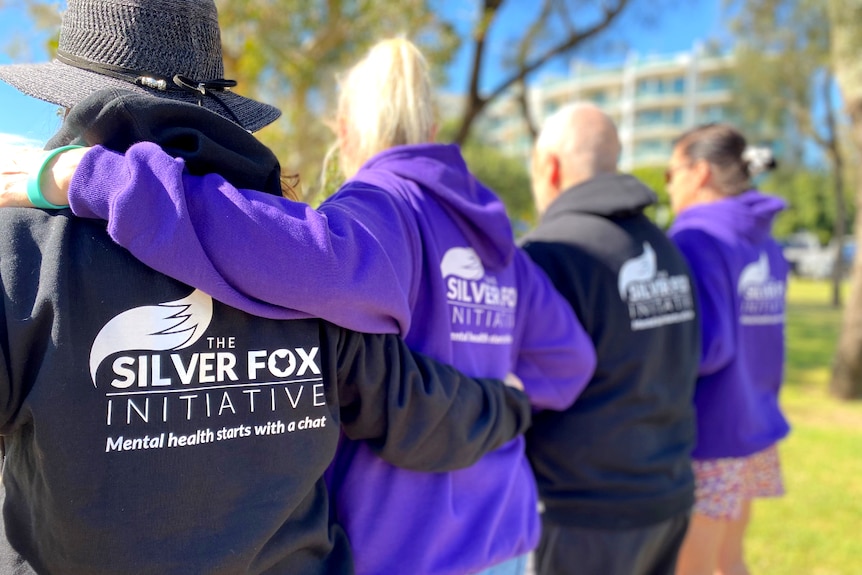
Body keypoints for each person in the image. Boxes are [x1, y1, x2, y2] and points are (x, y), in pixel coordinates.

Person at [1, 38, 596, 575]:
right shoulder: (498, 243)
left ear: (343, 127)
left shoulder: (376, 206)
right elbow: (568, 362)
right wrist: (511, 395)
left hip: (408, 544)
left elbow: (331, 277)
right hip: (507, 528)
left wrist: (89, 177)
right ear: (435, 121)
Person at [520, 102, 700, 575]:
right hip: (667, 495)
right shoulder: (664, 247)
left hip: (585, 512)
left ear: (550, 167)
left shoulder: (549, 253)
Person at [664, 123, 789, 575]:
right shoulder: (764, 240)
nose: (669, 185)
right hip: (754, 422)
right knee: (730, 561)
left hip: (710, 433)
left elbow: (707, 346)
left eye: (669, 172)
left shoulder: (694, 238)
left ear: (697, 172)